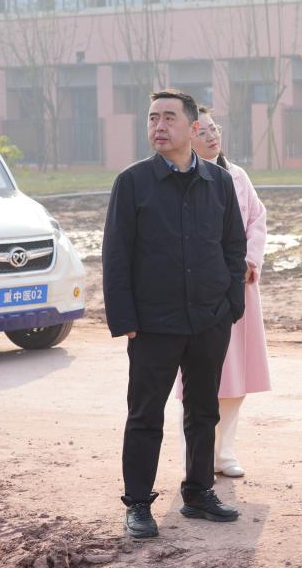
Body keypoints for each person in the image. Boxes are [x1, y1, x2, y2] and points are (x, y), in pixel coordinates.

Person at [103, 89, 247, 539]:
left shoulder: (218, 181)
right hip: (153, 323)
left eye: (169, 118)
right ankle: (138, 503)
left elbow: (234, 246)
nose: (159, 126)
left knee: (203, 411)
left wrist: (231, 306)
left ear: (192, 127)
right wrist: (125, 318)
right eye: (152, 118)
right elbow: (116, 254)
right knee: (145, 415)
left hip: (209, 319)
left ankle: (199, 492)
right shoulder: (133, 182)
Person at [173, 106, 271, 478]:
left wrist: (250, 259)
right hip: (200, 290)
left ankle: (224, 452)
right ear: (188, 135)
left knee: (236, 375)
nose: (212, 136)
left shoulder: (238, 175)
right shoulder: (183, 178)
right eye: (203, 131)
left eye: (214, 129)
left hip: (239, 287)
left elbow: (257, 219)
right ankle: (197, 455)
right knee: (199, 377)